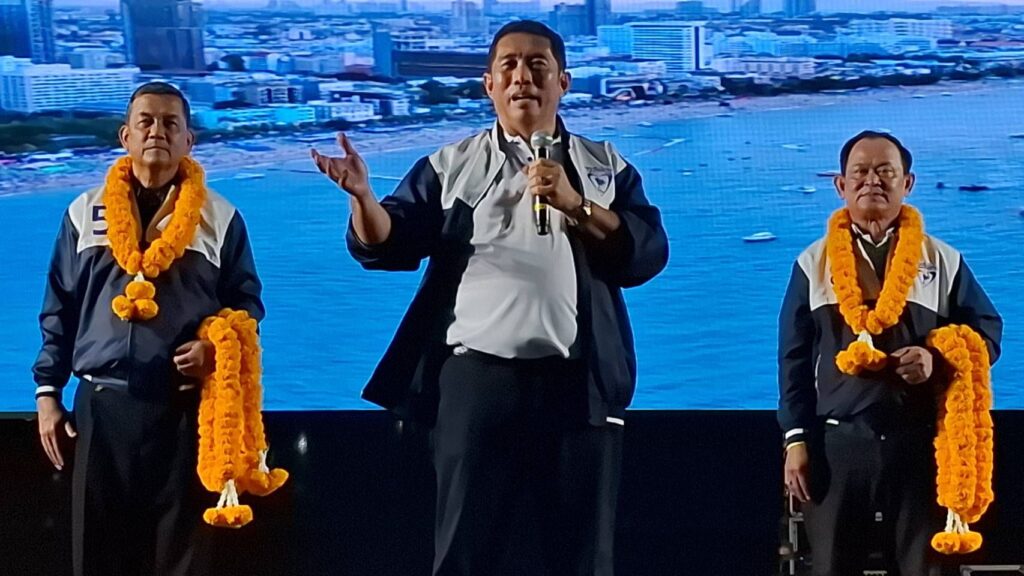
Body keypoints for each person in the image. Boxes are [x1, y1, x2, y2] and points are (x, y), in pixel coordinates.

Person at [311, 20, 668, 576]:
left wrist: (575, 204)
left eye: (537, 66)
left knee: (582, 559)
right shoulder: (453, 164)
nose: (523, 77)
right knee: (465, 554)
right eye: (509, 66)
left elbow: (645, 254)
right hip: (476, 384)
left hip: (579, 384)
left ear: (563, 82)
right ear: (489, 84)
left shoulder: (604, 165)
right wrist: (361, 197)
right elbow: (390, 242)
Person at [33, 81, 264, 576]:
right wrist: (47, 392)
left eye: (170, 123)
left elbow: (247, 306)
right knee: (96, 556)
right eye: (146, 122)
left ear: (188, 140)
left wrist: (213, 350)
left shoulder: (220, 218)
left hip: (182, 412)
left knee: (182, 557)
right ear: (126, 136)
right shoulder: (83, 213)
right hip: (101, 409)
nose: (157, 131)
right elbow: (59, 308)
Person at [777, 130, 1002, 575]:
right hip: (837, 446)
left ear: (908, 183)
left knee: (925, 569)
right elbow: (793, 360)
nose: (872, 181)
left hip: (920, 443)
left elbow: (987, 333)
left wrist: (937, 360)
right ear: (840, 185)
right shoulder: (812, 263)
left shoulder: (943, 261)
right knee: (832, 567)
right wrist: (796, 439)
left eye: (885, 172)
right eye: (860, 172)